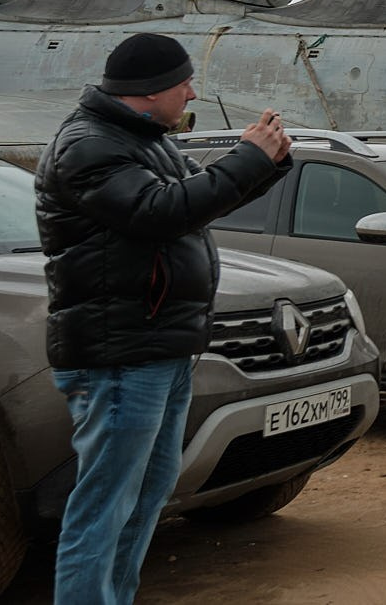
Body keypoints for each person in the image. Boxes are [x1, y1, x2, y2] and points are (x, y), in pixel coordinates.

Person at [36, 32, 292, 604]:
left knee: (143, 501)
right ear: (149, 91)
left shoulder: (138, 138)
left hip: (158, 350)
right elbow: (162, 211)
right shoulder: (88, 146)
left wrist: (266, 161)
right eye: (183, 84)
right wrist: (249, 157)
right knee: (104, 507)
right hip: (120, 356)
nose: (191, 92)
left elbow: (195, 195)